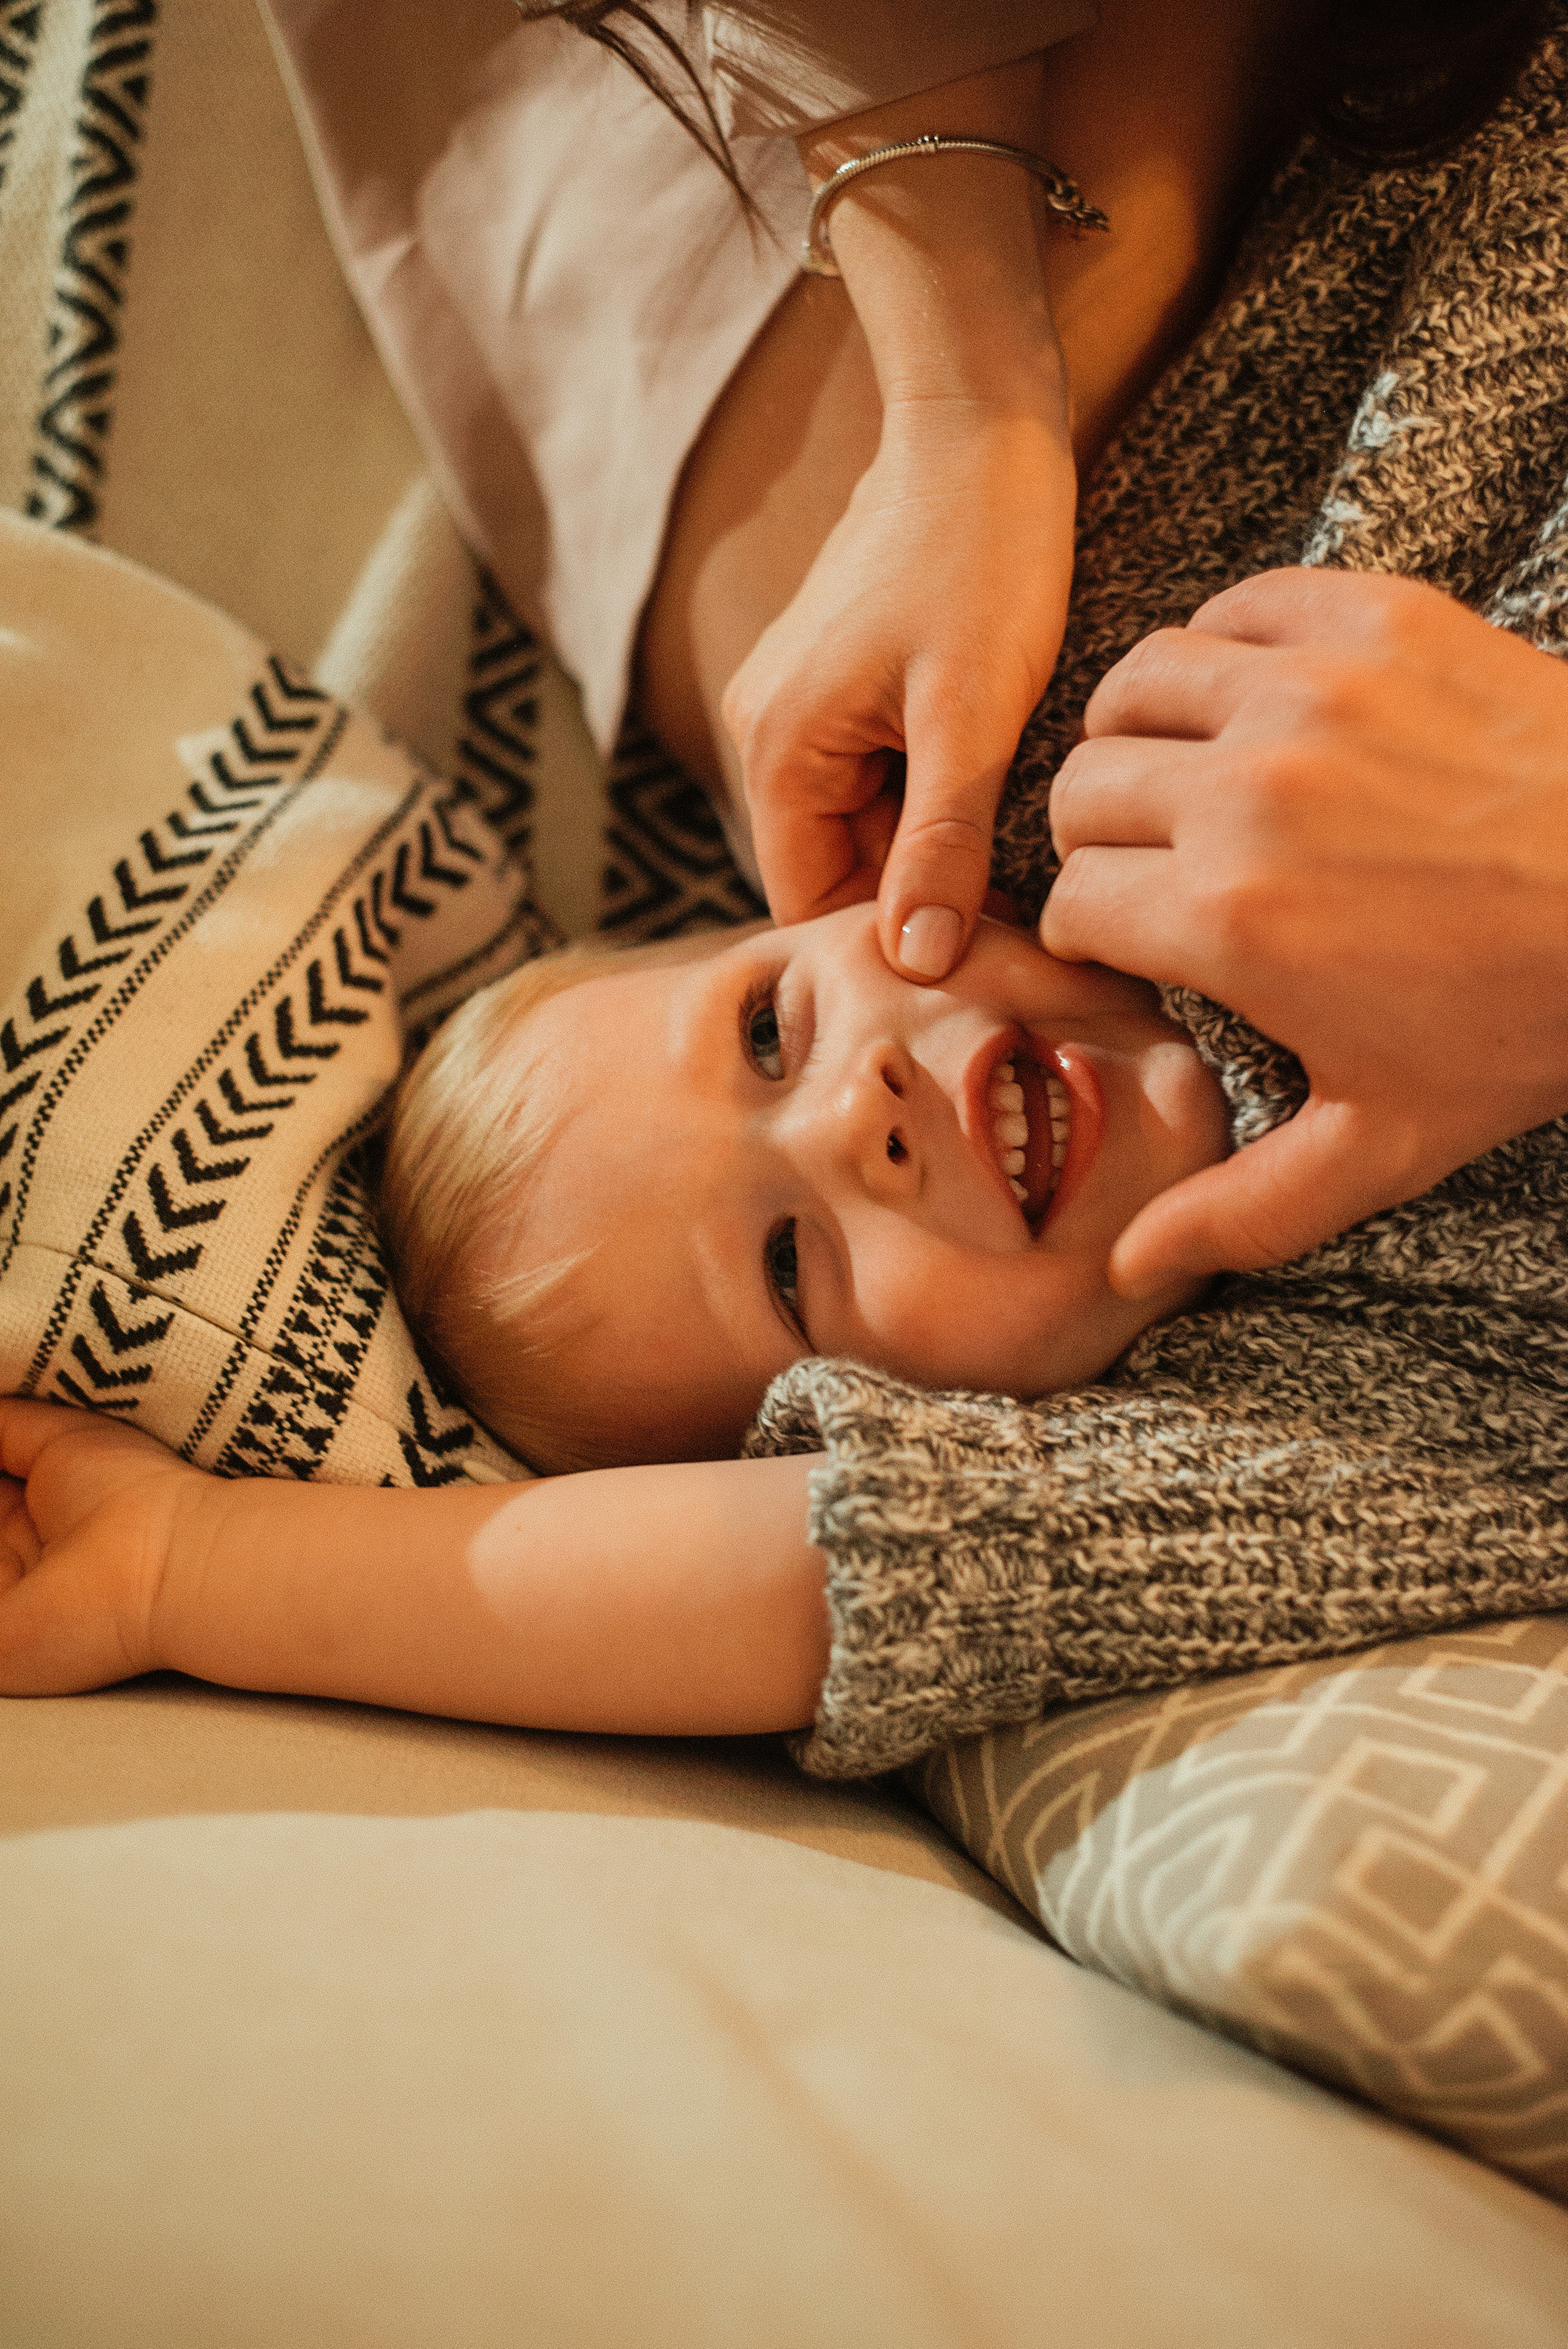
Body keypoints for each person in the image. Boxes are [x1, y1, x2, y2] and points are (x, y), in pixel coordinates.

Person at [6, 886, 1568, 1775]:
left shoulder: (1121, 787)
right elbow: (825, 1564)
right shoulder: (1283, 1427)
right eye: (785, 1267)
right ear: (906, 1426)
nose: (852, 1117)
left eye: (765, 1025)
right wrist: (185, 1571)